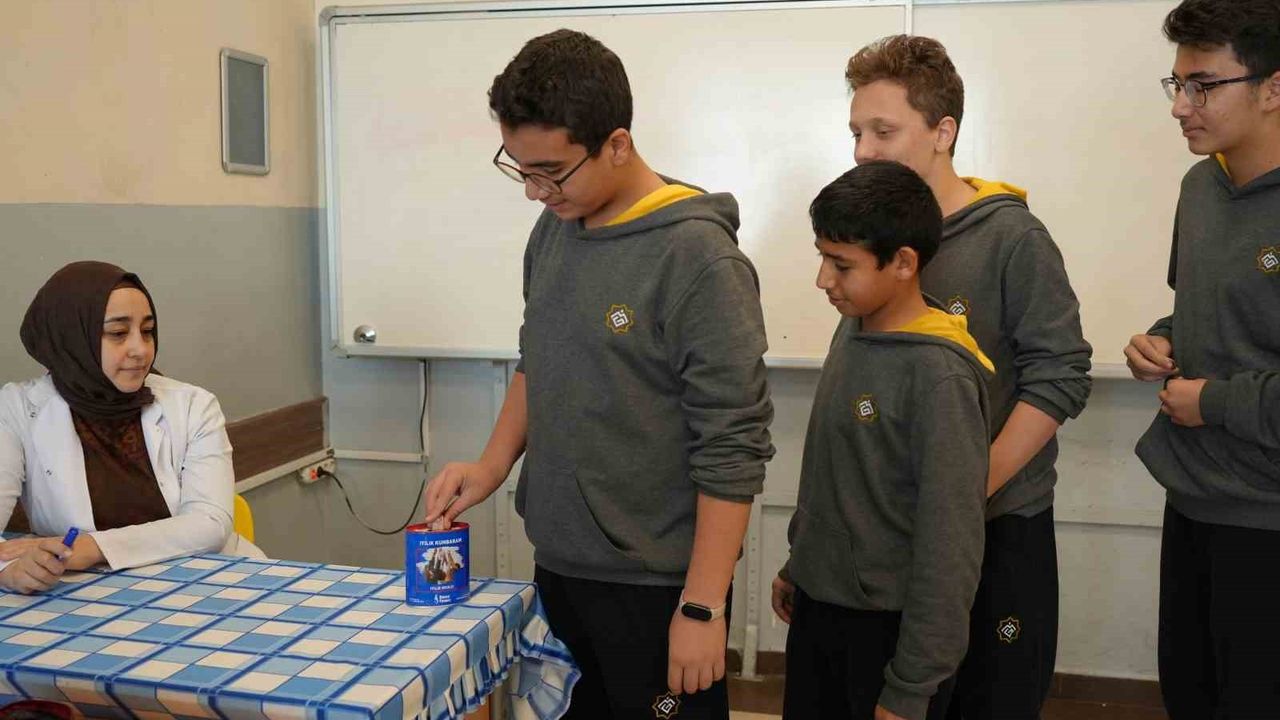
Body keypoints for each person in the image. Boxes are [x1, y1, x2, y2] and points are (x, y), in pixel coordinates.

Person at [423, 29, 774, 719]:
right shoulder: (555, 228)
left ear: (617, 143)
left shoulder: (699, 260)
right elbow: (541, 359)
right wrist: (492, 466)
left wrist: (701, 606)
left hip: (657, 588)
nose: (533, 191)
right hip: (560, 568)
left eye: (550, 171)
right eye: (519, 169)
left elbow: (733, 446)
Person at [775, 34, 1092, 717]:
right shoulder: (866, 245)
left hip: (996, 527)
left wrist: (961, 490)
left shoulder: (1012, 239)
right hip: (892, 548)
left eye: (883, 131)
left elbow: (1060, 375)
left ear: (942, 131)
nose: (862, 148)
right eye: (857, 131)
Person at [772, 161, 992, 720]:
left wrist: (910, 688)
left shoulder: (940, 376)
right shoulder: (854, 327)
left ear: (903, 263)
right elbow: (837, 474)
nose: (823, 279)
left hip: (886, 638)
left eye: (841, 264)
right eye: (822, 257)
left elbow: (950, 545)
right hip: (821, 610)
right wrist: (802, 564)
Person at [1123, 0, 1280, 716]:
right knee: (1190, 696)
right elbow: (1211, 313)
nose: (1182, 106)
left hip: (1267, 517)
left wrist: (1212, 401)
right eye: (1177, 85)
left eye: (1204, 85)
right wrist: (1163, 339)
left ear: (1273, 88)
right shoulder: (1200, 188)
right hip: (1191, 497)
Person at [0, 261, 248, 594]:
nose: (141, 349)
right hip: (85, 594)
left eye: (147, 331)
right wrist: (9, 571)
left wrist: (92, 547)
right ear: (72, 336)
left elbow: (209, 524)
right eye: (118, 333)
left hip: (206, 582)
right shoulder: (17, 408)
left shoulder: (193, 405)